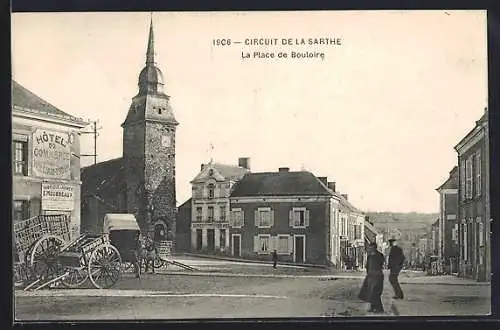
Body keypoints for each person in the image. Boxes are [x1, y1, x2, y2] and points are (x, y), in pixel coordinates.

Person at [363, 242, 385, 313]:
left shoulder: (380, 255)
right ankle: (373, 307)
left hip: (378, 276)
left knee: (376, 292)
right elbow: (367, 266)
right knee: (372, 292)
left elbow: (381, 264)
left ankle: (379, 308)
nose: (370, 249)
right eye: (370, 248)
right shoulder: (370, 256)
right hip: (371, 276)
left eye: (371, 248)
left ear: (375, 248)